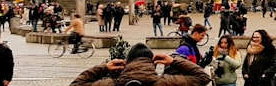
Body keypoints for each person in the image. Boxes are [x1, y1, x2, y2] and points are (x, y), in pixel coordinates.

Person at [70, 42, 210, 86]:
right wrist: (174, 61)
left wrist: (104, 67)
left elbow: (76, 85)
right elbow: (202, 78)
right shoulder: (166, 83)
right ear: (153, 63)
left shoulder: (111, 84)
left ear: (127, 63)